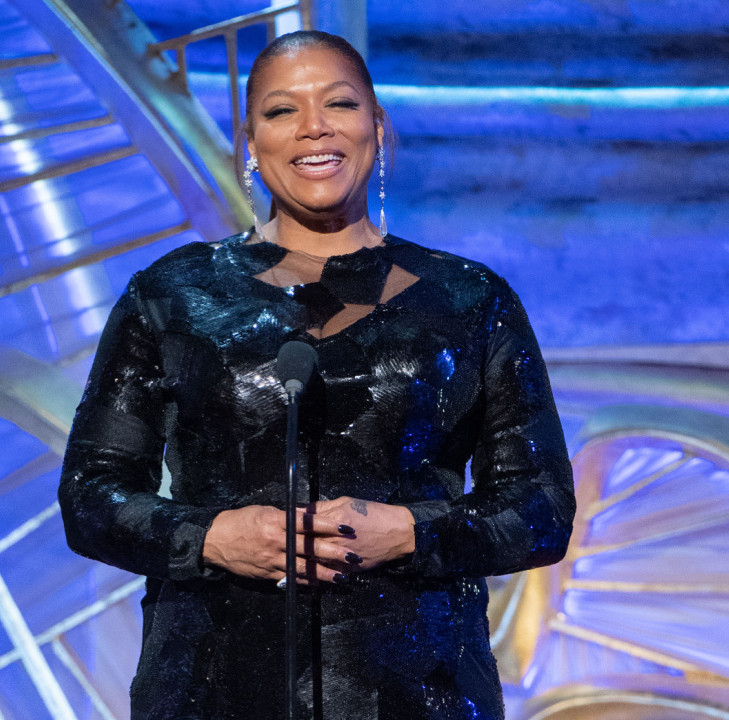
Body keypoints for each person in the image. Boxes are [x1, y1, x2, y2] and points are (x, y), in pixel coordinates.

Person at [59, 30, 575, 720]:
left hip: (418, 691)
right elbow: (91, 497)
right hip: (212, 688)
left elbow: (542, 509)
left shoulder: (470, 300)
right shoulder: (173, 296)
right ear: (250, 139)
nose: (313, 128)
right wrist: (211, 538)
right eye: (281, 111)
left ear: (377, 126)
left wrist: (414, 533)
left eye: (339, 104)